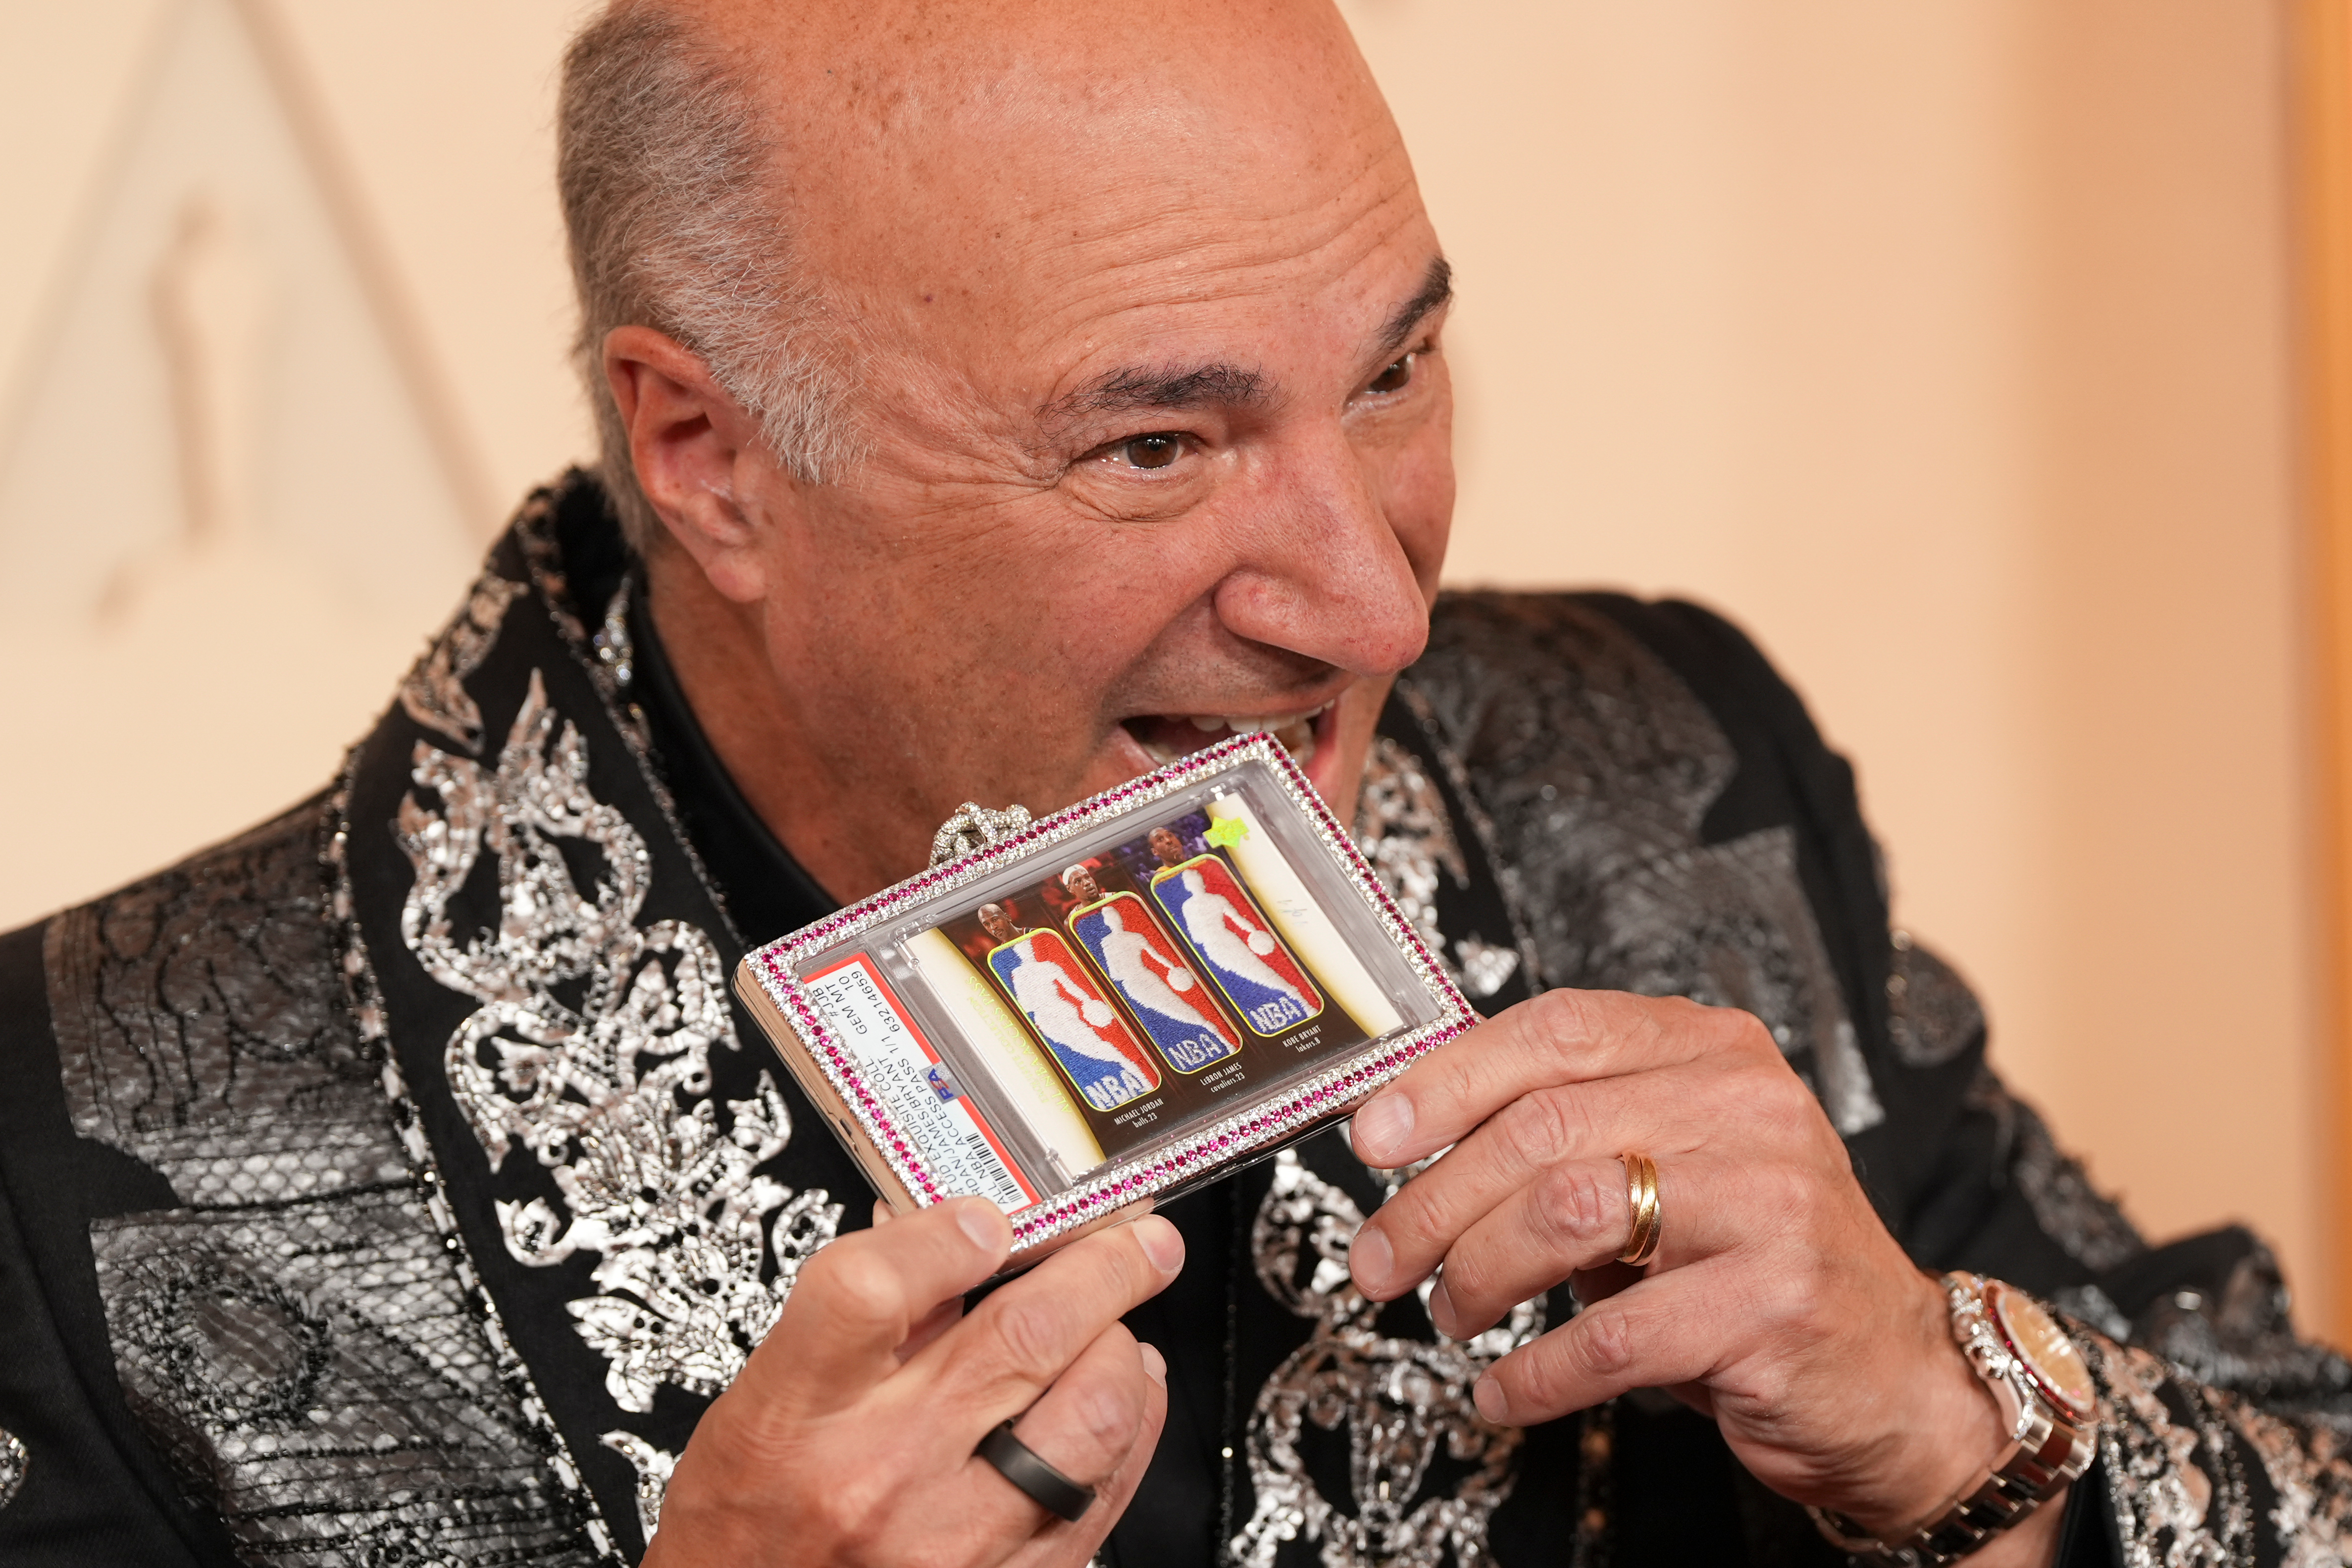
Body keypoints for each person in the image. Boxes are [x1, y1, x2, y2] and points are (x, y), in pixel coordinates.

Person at [0, 1, 2346, 1565]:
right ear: (704, 451)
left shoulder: (1663, 778)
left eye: (1401, 370)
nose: (1376, 605)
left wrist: (1959, 1431)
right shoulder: (85, 1151)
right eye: (1156, 442)